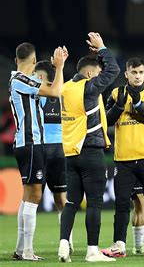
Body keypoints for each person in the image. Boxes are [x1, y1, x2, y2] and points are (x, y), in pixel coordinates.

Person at [58, 33, 120, 263]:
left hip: (69, 152)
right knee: (94, 202)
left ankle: (64, 243)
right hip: (90, 151)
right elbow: (114, 71)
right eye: (96, 72)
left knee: (72, 202)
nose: (99, 75)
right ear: (90, 73)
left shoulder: (65, 87)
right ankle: (92, 251)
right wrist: (103, 48)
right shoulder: (88, 87)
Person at [102, 58, 144, 258]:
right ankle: (119, 244)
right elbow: (106, 121)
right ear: (127, 74)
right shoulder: (116, 93)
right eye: (134, 72)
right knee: (121, 203)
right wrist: (118, 108)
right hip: (123, 159)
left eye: (141, 72)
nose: (138, 76)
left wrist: (138, 103)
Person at [10, 43, 67, 261]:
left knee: (27, 196)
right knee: (34, 194)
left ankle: (20, 249)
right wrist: (60, 67)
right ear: (33, 61)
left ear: (16, 60)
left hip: (30, 143)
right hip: (31, 142)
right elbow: (55, 91)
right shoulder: (21, 80)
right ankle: (26, 251)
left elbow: (52, 89)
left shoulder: (21, 80)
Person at [33, 60, 73, 249]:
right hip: (54, 149)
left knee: (37, 198)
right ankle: (67, 241)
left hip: (48, 149)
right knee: (56, 199)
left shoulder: (39, 94)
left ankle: (66, 241)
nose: (32, 78)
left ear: (42, 77)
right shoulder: (60, 94)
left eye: (35, 75)